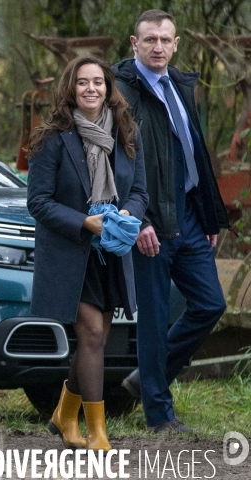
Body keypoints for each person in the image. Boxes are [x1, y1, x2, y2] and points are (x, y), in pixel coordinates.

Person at [112, 10, 229, 433]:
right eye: (150, 40)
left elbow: (195, 152)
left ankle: (146, 379)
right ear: (134, 43)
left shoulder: (180, 84)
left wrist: (209, 213)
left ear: (176, 44)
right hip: (151, 221)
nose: (158, 47)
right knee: (155, 317)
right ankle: (159, 414)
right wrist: (136, 219)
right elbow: (119, 163)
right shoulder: (122, 92)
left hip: (191, 216)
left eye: (165, 40)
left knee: (211, 304)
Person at [26, 56, 148, 452]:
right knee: (93, 333)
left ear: (109, 89)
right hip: (69, 254)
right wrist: (85, 222)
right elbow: (39, 202)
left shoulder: (128, 133)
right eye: (83, 83)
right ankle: (96, 431)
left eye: (98, 82)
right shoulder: (52, 137)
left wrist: (127, 214)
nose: (91, 89)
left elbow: (139, 192)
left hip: (111, 252)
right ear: (71, 89)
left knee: (95, 340)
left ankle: (64, 413)